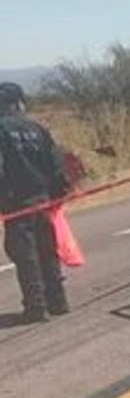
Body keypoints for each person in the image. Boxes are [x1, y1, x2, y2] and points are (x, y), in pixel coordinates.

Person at [0, 82, 72, 322]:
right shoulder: (38, 128)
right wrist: (58, 194)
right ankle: (58, 301)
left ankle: (36, 307)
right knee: (47, 250)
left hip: (16, 204)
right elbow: (56, 165)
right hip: (42, 201)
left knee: (25, 255)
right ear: (19, 103)